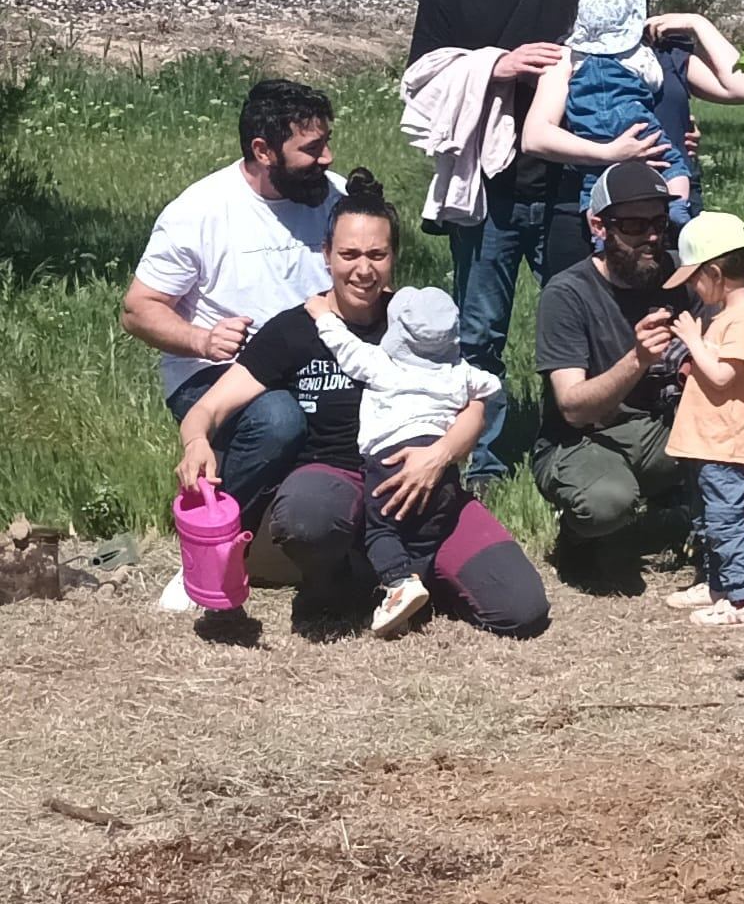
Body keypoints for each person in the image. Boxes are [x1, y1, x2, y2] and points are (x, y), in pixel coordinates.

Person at [174, 171, 549, 638]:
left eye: (377, 255)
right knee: (306, 517)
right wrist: (195, 443)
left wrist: (442, 455)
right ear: (326, 255)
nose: (363, 269)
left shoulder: (419, 322)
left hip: (428, 484)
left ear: (394, 257)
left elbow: (473, 400)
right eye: (349, 255)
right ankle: (343, 578)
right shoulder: (296, 329)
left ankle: (407, 574)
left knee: (521, 608)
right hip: (338, 478)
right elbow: (207, 409)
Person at [121, 78, 343, 611]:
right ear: (263, 151)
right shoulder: (201, 210)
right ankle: (207, 547)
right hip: (215, 375)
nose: (327, 157)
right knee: (279, 419)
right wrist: (201, 336)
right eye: (311, 148)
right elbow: (137, 309)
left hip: (315, 364)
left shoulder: (333, 197)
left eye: (327, 142)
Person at [405, 0, 580, 494]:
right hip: (489, 190)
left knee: (577, 320)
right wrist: (496, 67)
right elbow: (422, 85)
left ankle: (574, 440)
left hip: (567, 186)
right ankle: (484, 455)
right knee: (479, 330)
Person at [532, 160, 744, 560]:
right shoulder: (568, 293)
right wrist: (638, 359)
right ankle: (584, 539)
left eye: (660, 224)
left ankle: (710, 513)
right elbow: (572, 407)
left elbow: (730, 351)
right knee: (607, 505)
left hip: (667, 429)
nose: (651, 237)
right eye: (633, 226)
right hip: (590, 438)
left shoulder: (682, 275)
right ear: (598, 227)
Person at [527, 0, 744, 280]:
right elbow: (535, 135)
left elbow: (743, 88)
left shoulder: (664, 51)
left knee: (675, 322)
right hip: (610, 217)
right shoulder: (570, 56)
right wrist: (610, 152)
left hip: (673, 206)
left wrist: (698, 23)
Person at [305, 286, 501, 637]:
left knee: (381, 530)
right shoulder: (461, 372)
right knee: (425, 536)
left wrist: (322, 314)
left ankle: (398, 584)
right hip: (441, 471)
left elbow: (345, 347)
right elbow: (492, 386)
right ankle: (417, 588)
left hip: (389, 463)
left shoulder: (384, 364)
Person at [659, 212, 744, 629]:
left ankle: (741, 601)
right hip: (709, 441)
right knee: (709, 517)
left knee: (726, 520)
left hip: (728, 443)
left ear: (715, 272)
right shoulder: (724, 315)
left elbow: (724, 374)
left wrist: (692, 340)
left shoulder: (742, 318)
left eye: (693, 278)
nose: (690, 287)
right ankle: (716, 585)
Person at [563, 0, 697, 229]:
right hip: (630, 117)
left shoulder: (575, 57)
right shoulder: (635, 55)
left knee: (592, 180)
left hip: (586, 124)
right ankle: (677, 204)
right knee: (670, 160)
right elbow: (655, 81)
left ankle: (598, 230)